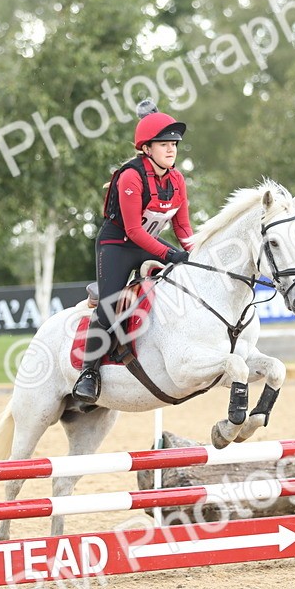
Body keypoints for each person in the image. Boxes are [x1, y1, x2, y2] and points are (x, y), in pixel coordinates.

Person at [72, 99, 195, 405]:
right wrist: (170, 255)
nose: (171, 150)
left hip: (148, 245)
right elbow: (133, 231)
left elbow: (183, 229)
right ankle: (89, 373)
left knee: (185, 281)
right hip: (118, 247)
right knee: (110, 307)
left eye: (174, 145)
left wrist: (196, 255)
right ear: (147, 149)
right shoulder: (130, 176)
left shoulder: (177, 180)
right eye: (164, 144)